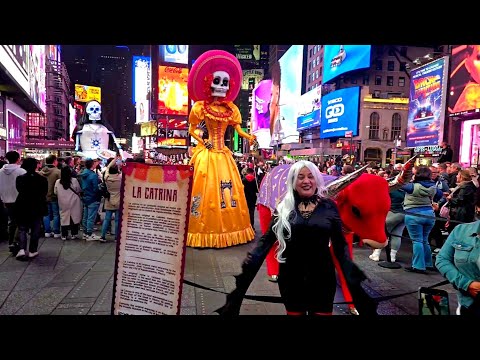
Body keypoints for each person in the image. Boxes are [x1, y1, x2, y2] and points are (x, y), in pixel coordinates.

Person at [215, 160, 377, 316]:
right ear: (293, 181)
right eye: (300, 177)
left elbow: (340, 248)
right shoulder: (284, 207)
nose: (306, 181)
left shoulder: (329, 207)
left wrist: (356, 289)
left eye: (310, 176)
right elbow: (265, 243)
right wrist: (241, 286)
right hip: (291, 278)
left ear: (316, 180)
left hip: (322, 279)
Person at [186, 49, 258, 248]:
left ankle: (228, 230)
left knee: (226, 191)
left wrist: (249, 137)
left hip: (223, 155)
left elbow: (237, 129)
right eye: (217, 81)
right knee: (204, 191)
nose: (221, 87)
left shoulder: (231, 109)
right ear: (209, 82)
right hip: (207, 154)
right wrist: (202, 141)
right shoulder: (200, 106)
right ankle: (201, 230)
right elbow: (192, 129)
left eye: (225, 83)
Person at [435, 190, 480, 315]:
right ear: (478, 207)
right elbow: (442, 259)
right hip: (468, 304)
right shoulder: (462, 231)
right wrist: (467, 284)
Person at [402, 166, 443, 274]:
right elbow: (440, 195)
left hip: (414, 215)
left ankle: (418, 266)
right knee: (424, 239)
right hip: (429, 214)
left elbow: (400, 185)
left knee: (417, 241)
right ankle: (428, 263)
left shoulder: (411, 187)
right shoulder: (434, 187)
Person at [14, 157, 48, 260]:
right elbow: (44, 193)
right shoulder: (42, 179)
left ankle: (21, 249)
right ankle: (33, 250)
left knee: (22, 228)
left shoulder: (20, 178)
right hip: (37, 206)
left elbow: (19, 190)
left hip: (22, 205)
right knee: (35, 229)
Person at [0, 151, 26, 253]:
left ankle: (11, 242)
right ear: (18, 159)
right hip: (19, 200)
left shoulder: (0, 172)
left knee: (11, 222)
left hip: (6, 200)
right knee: (20, 223)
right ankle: (17, 243)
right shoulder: (21, 171)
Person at [54, 166, 83, 240]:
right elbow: (79, 190)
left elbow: (55, 192)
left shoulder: (58, 182)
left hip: (63, 202)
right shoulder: (74, 180)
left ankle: (64, 234)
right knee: (74, 217)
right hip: (74, 201)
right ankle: (74, 234)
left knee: (64, 218)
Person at [445, 169, 477, 234]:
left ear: (461, 177)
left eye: (458, 175)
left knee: (459, 232)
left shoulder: (465, 187)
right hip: (463, 213)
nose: (456, 176)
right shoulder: (466, 186)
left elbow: (460, 200)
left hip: (461, 214)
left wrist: (450, 198)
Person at [100, 156, 122, 242]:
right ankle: (116, 237)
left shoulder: (107, 178)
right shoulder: (120, 178)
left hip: (109, 200)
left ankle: (102, 236)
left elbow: (108, 167)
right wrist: (119, 163)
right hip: (118, 200)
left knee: (106, 219)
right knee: (117, 220)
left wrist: (114, 159)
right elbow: (120, 170)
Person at [39, 154, 61, 238]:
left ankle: (47, 231)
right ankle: (56, 232)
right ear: (54, 161)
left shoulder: (41, 172)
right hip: (54, 196)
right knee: (56, 214)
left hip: (44, 196)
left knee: (46, 214)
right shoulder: (57, 172)